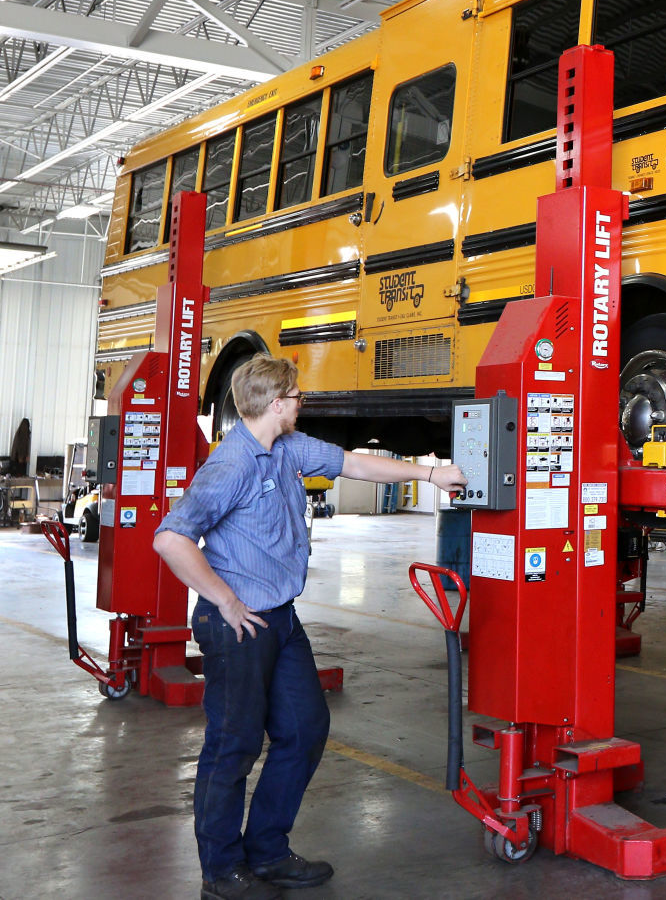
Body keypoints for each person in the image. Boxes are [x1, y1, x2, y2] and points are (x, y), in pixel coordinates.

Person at [155, 356, 466, 900]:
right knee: (234, 746)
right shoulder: (231, 465)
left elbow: (356, 465)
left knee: (303, 729)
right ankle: (221, 873)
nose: (302, 401)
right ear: (275, 404)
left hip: (280, 617)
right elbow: (171, 539)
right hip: (238, 624)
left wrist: (431, 474)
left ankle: (268, 851)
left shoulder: (288, 449)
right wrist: (224, 600)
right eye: (296, 396)